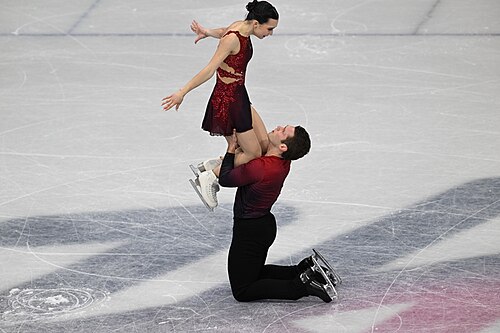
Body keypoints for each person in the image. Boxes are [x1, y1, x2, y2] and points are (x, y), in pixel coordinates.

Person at [217, 125, 336, 302]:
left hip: (250, 231)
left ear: (283, 147)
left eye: (283, 131)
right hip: (261, 226)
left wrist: (231, 149)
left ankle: (303, 286)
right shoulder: (282, 160)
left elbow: (225, 179)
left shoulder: (261, 167)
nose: (278, 127)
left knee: (243, 290)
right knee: (253, 274)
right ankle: (304, 269)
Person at [161, 1, 279, 170]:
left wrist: (207, 32)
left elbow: (224, 31)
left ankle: (215, 164)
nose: (271, 33)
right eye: (269, 29)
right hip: (228, 99)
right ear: (256, 24)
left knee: (264, 144)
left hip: (239, 94)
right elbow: (209, 69)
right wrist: (182, 92)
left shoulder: (241, 27)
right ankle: (212, 175)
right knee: (252, 153)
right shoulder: (233, 38)